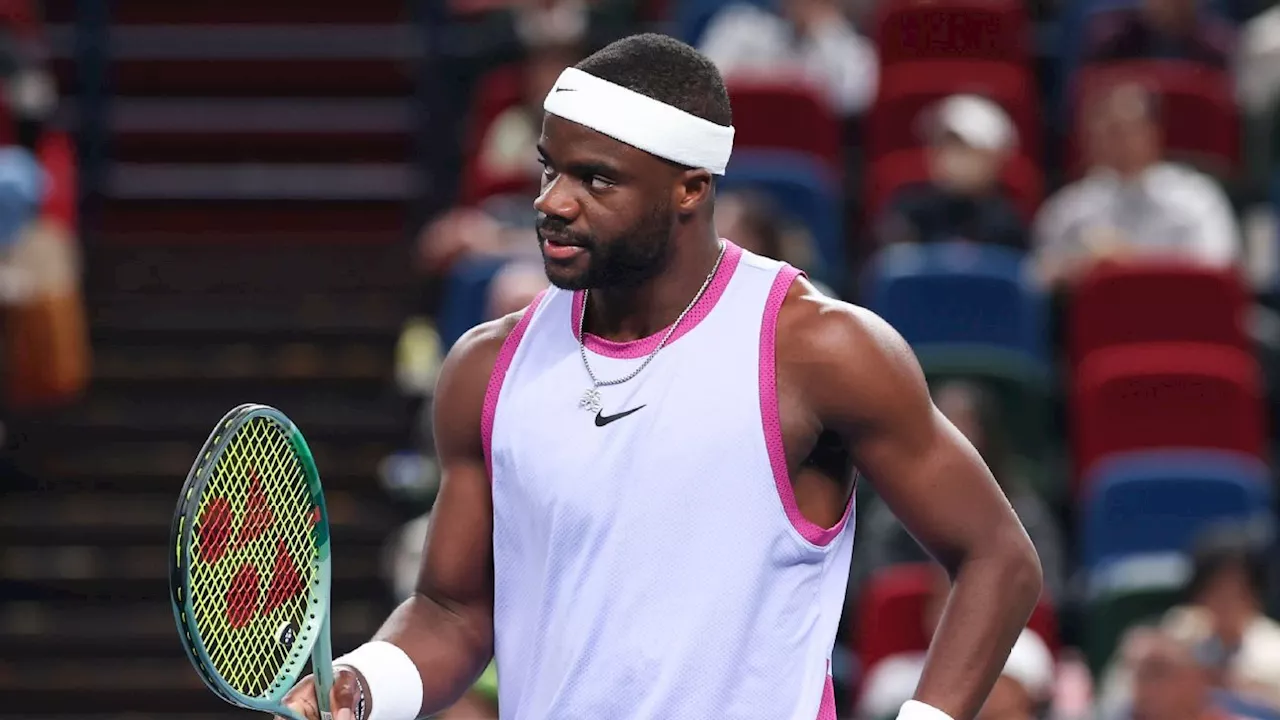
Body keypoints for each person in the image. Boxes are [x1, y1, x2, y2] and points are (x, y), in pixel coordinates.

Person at [278, 33, 1042, 720]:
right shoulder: (486, 367)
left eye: (595, 180)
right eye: (549, 168)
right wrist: (365, 682)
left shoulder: (817, 349)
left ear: (690, 188)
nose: (552, 202)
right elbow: (453, 609)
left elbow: (998, 558)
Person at [1032, 82, 1240, 288]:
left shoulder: (1197, 199)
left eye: (1126, 129)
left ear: (1154, 132)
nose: (1116, 141)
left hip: (1179, 313)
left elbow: (1218, 270)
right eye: (1106, 130)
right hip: (1101, 316)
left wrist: (1129, 263)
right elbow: (1038, 276)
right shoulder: (1068, 207)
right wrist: (1080, 266)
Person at [876, 95, 1027, 251]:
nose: (948, 158)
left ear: (995, 160)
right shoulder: (907, 209)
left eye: (963, 150)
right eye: (942, 146)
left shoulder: (1007, 224)